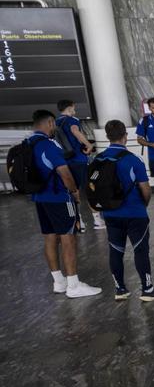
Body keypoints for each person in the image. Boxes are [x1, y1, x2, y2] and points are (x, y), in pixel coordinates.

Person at [24, 109, 101, 298]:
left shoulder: (28, 143)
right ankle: (74, 285)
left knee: (50, 237)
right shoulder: (48, 145)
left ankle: (59, 282)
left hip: (40, 198)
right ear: (50, 122)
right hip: (59, 197)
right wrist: (74, 192)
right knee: (68, 237)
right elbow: (64, 172)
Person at [94, 120, 154, 302]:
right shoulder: (132, 159)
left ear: (107, 137)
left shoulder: (98, 159)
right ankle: (147, 289)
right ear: (125, 136)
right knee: (140, 250)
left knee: (115, 250)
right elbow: (145, 188)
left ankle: (120, 289)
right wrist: (143, 205)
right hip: (134, 212)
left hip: (111, 213)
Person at [56, 99, 101, 231]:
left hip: (65, 162)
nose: (74, 109)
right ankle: (97, 221)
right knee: (88, 189)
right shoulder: (72, 120)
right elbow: (76, 132)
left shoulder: (56, 122)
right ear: (69, 108)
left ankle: (79, 222)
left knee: (73, 190)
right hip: (79, 160)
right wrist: (89, 145)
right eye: (73, 107)